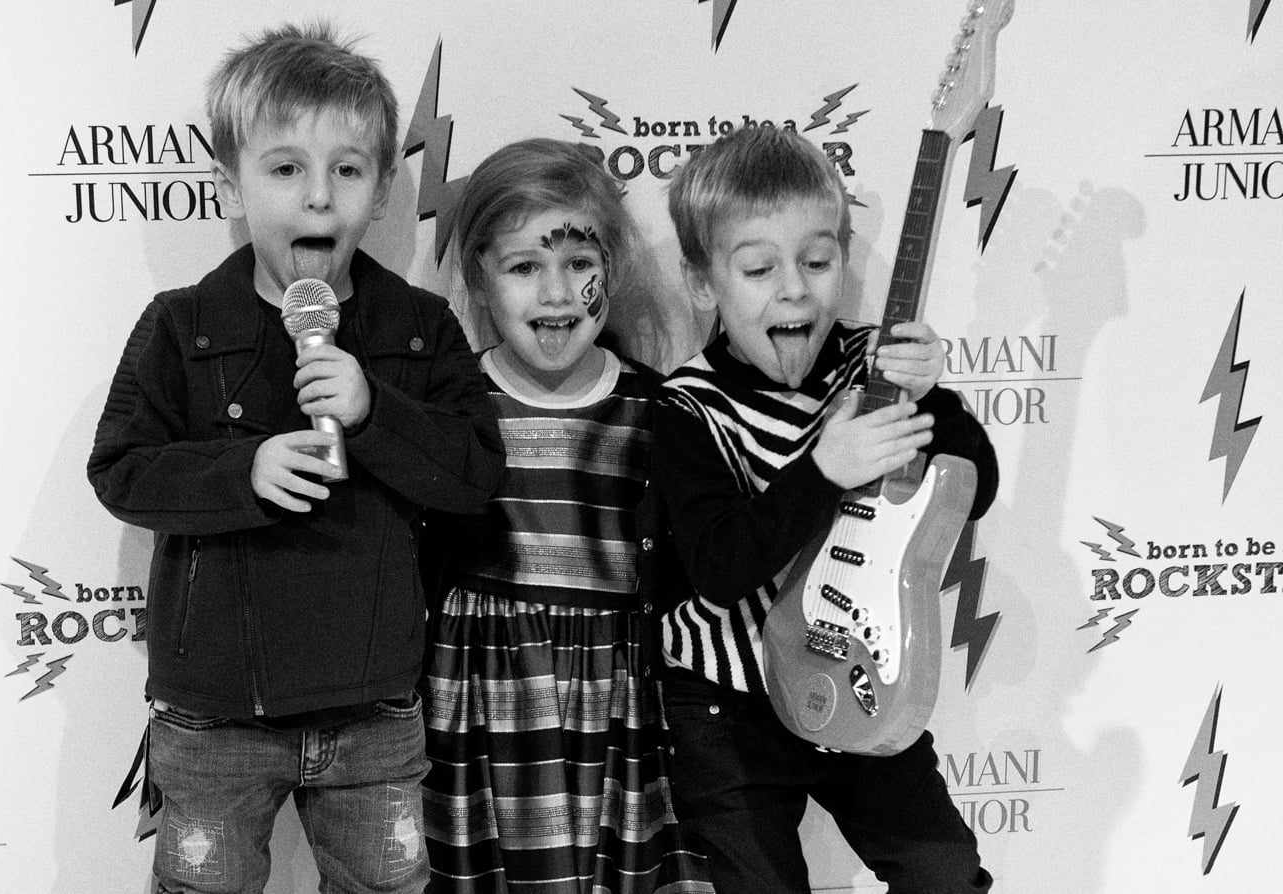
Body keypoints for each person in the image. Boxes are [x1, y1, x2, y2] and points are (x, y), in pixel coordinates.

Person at [87, 23, 505, 894]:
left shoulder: (421, 331)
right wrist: (241, 473)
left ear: (385, 188)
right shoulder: (179, 324)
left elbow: (474, 473)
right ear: (229, 181)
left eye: (348, 171)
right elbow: (122, 468)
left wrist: (374, 410)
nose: (319, 200)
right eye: (285, 170)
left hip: (375, 711)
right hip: (214, 718)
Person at [654, 125, 999, 893]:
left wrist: (932, 400)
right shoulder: (686, 409)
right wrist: (824, 470)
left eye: (817, 260)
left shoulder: (868, 369)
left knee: (943, 870)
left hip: (859, 668)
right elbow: (720, 568)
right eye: (757, 267)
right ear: (703, 283)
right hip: (726, 702)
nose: (795, 288)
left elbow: (979, 486)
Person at [418, 138, 711, 894]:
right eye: (523, 267)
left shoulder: (660, 411)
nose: (554, 295)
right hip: (483, 697)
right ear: (481, 277)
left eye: (579, 265)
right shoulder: (449, 414)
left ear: (610, 267)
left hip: (620, 704)